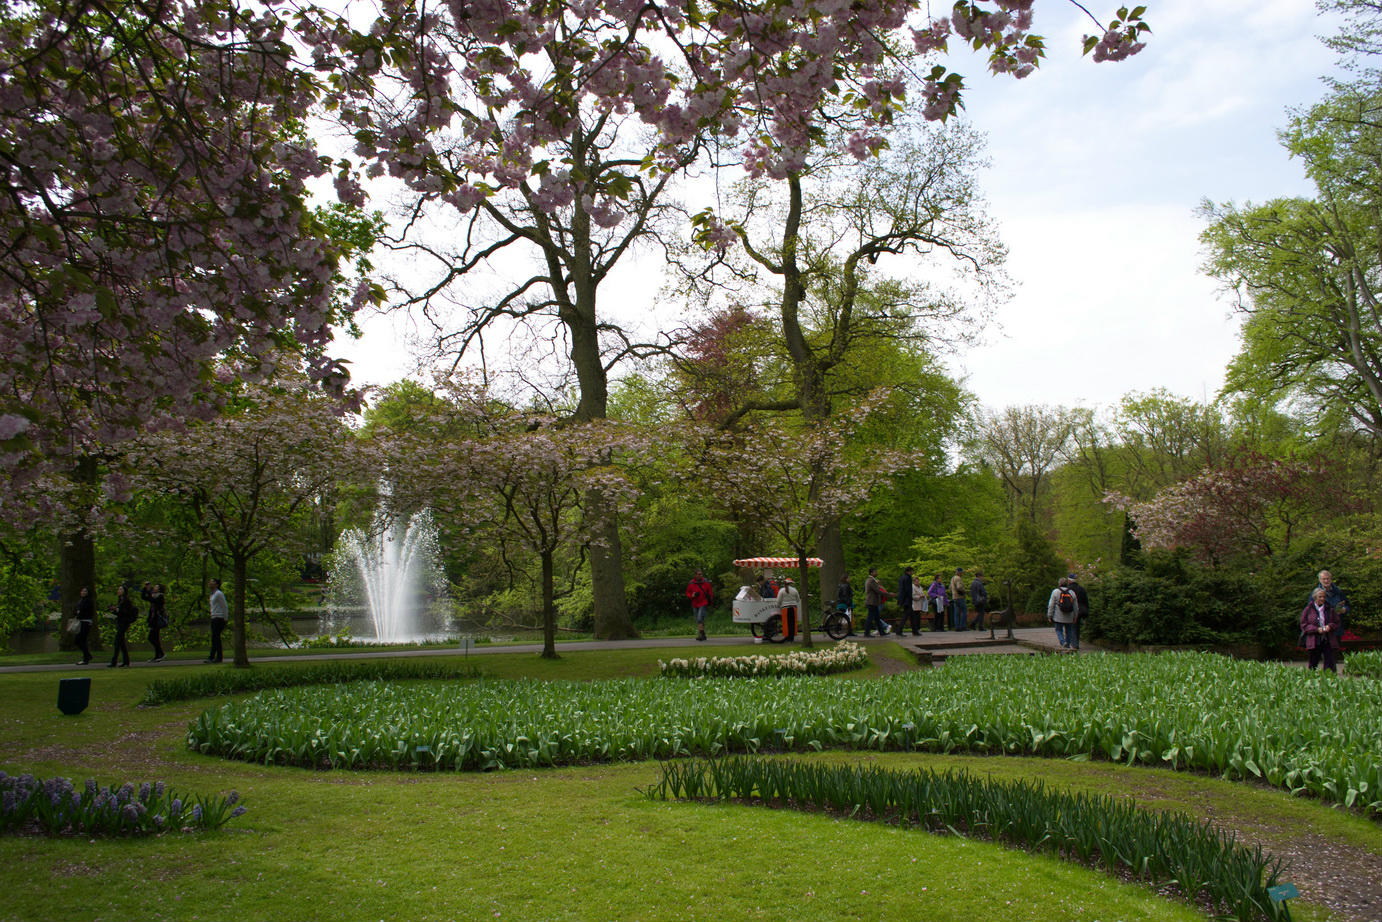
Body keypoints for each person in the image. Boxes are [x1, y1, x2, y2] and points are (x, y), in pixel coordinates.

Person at [1300, 587, 1341, 673]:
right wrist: (1316, 629)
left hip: (1327, 638)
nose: (1322, 599)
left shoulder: (1330, 609)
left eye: (1324, 597)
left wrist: (1329, 626)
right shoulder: (1308, 609)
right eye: (1320, 597)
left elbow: (1336, 622)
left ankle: (1329, 679)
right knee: (1313, 662)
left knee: (1329, 661)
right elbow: (1304, 625)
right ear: (1315, 597)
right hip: (1314, 639)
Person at [107, 584, 138, 668]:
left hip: (124, 623)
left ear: (124, 591)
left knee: (117, 642)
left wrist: (117, 610)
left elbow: (126, 612)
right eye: (118, 589)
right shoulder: (120, 600)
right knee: (121, 643)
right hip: (120, 623)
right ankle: (126, 662)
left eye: (120, 589)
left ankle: (114, 662)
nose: (119, 591)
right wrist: (113, 611)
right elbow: (119, 613)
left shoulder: (126, 601)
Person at [1046, 577, 1079, 652]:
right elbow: (1076, 606)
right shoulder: (1072, 592)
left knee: (1058, 630)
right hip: (1069, 616)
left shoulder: (1055, 592)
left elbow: (1051, 605)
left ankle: (1062, 642)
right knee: (1069, 631)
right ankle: (1067, 645)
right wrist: (1075, 616)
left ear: (1059, 584)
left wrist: (1049, 615)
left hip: (1058, 616)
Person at [686, 569, 714, 642]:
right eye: (698, 574)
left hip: (703, 603)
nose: (700, 575)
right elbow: (688, 593)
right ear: (695, 575)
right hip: (695, 603)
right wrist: (692, 595)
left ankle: (701, 635)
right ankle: (703, 634)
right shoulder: (691, 583)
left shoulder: (706, 582)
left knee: (699, 618)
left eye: (701, 574)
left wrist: (711, 601)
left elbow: (710, 592)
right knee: (698, 620)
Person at [142, 582, 167, 662]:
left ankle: (161, 653)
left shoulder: (160, 596)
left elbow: (153, 600)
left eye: (156, 587)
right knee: (155, 638)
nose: (154, 588)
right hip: (153, 619)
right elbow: (144, 597)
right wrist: (145, 589)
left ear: (159, 589)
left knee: (151, 637)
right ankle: (157, 656)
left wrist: (149, 592)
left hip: (157, 620)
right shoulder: (154, 595)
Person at [863, 567, 890, 636]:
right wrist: (888, 594)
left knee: (877, 618)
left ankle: (882, 632)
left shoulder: (871, 580)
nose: (876, 573)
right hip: (872, 602)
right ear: (871, 573)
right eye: (875, 572)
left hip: (873, 602)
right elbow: (877, 590)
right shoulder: (871, 580)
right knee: (870, 618)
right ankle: (866, 633)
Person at [206, 578, 228, 663]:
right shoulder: (212, 594)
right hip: (214, 617)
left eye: (212, 582)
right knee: (214, 638)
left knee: (216, 638)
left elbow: (224, 606)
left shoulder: (219, 594)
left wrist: (225, 619)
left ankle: (218, 657)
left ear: (216, 584)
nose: (210, 583)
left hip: (219, 618)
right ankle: (212, 657)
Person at [73, 586, 95, 666]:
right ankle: (87, 656)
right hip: (81, 622)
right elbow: (77, 611)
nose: (83, 592)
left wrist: (79, 614)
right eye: (82, 591)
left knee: (80, 639)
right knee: (80, 640)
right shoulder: (81, 601)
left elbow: (83, 611)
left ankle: (86, 657)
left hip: (86, 622)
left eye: (85, 591)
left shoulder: (88, 601)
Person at [775, 577, 801, 642]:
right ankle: (792, 637)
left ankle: (787, 637)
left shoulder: (781, 590)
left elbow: (778, 601)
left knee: (786, 623)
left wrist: (778, 606)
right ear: (791, 583)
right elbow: (798, 599)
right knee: (793, 623)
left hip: (785, 608)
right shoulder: (795, 590)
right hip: (793, 608)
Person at [897, 566, 917, 637]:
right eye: (912, 571)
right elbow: (907, 590)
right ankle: (899, 630)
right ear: (909, 571)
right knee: (905, 616)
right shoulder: (908, 578)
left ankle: (915, 631)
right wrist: (909, 598)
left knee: (912, 615)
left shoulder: (901, 578)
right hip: (907, 600)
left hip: (903, 599)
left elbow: (901, 589)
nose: (912, 573)